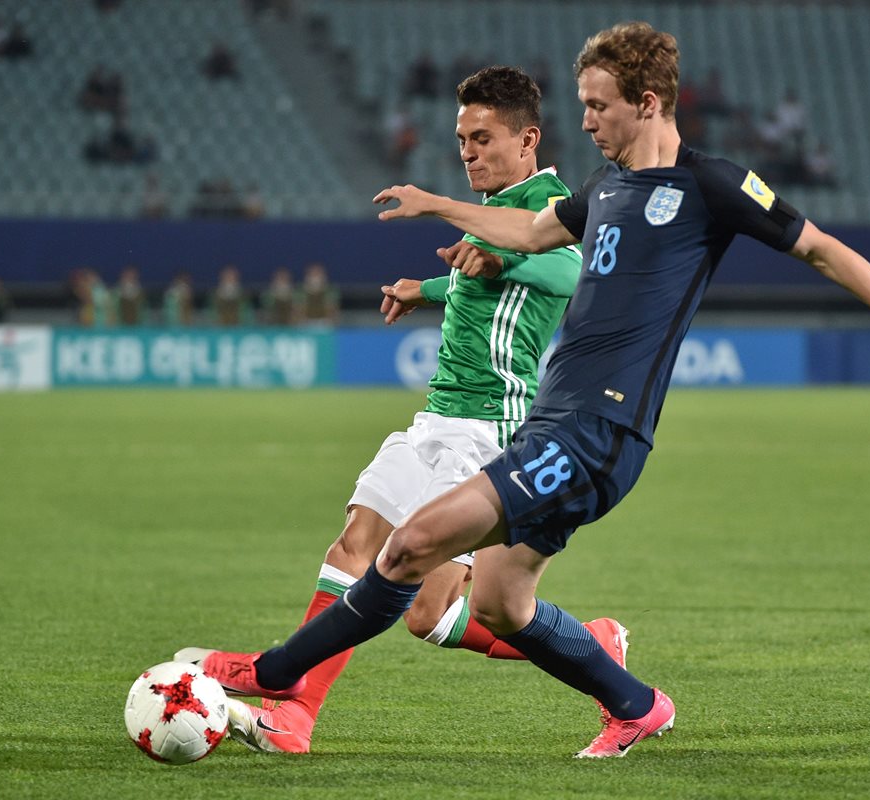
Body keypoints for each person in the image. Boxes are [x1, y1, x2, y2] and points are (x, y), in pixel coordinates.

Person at [180, 23, 870, 760]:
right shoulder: (602, 191)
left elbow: (821, 250)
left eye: (599, 106)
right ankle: (635, 704)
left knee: (407, 547)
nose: (590, 120)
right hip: (554, 428)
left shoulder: (715, 185)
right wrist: (437, 207)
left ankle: (274, 674)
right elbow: (529, 233)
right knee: (497, 605)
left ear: (647, 103)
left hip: (595, 434)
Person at [182, 66, 606, 756]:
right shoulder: (499, 213)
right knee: (356, 547)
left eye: (483, 138)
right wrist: (430, 287)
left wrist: (474, 238)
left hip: (490, 434)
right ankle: (295, 718)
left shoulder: (546, 204)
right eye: (462, 139)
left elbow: (566, 271)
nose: (468, 151)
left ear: (527, 139)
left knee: (431, 612)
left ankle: (594, 651)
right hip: (434, 422)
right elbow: (488, 275)